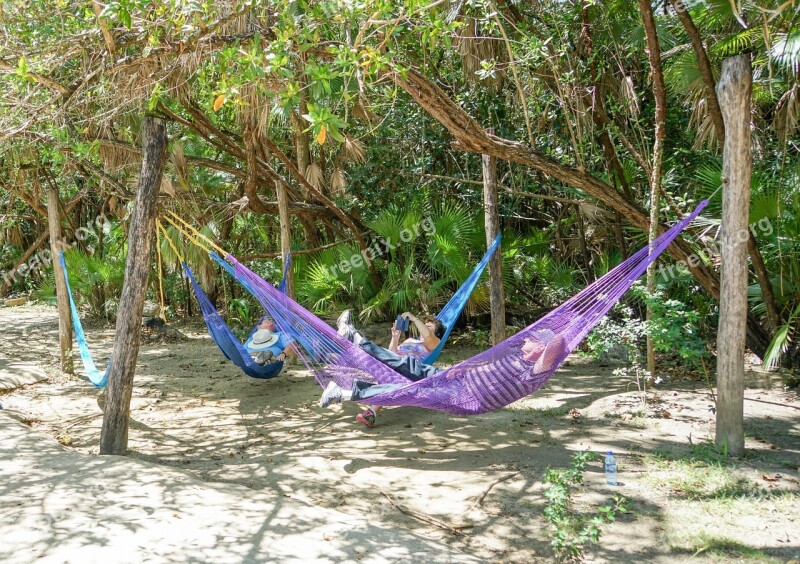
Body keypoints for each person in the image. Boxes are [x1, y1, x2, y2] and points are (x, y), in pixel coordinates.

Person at [320, 320, 570, 425]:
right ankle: (356, 338)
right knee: (407, 366)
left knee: (409, 390)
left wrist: (576, 320)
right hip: (457, 378)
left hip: (466, 397)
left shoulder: (535, 372)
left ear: (541, 348)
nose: (526, 340)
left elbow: (558, 341)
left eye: (532, 340)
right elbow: (484, 365)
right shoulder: (517, 357)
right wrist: (458, 370)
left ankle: (346, 392)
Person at [329, 310, 443, 427]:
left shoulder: (434, 343)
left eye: (428, 326)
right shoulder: (410, 340)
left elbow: (428, 336)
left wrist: (414, 318)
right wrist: (395, 337)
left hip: (408, 369)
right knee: (382, 367)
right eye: (425, 326)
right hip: (392, 362)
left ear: (436, 333)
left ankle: (353, 337)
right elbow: (391, 353)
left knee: (390, 376)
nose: (424, 328)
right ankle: (368, 411)